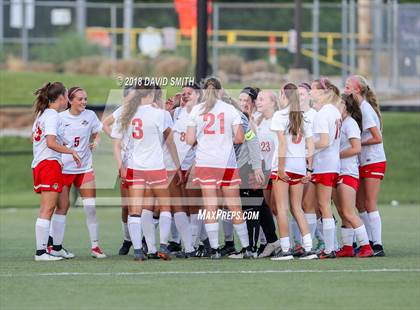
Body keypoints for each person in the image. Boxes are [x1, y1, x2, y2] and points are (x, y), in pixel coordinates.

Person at [112, 84, 181, 261]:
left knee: (135, 210)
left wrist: (121, 165)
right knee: (165, 207)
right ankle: (163, 246)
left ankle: (137, 250)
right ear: (150, 94)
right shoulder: (161, 114)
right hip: (156, 167)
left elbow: (116, 144)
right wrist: (178, 165)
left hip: (135, 167)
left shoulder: (126, 113)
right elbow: (170, 142)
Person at [186, 77, 252, 259]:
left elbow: (190, 140)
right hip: (226, 163)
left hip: (206, 163)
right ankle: (246, 248)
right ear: (220, 91)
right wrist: (223, 141)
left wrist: (206, 141)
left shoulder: (196, 110)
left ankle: (214, 249)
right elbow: (240, 138)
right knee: (234, 207)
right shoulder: (230, 109)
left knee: (210, 207)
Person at [49, 86, 106, 259]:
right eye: (80, 99)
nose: (84, 102)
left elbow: (98, 133)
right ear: (70, 101)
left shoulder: (89, 116)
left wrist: (96, 142)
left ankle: (95, 247)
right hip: (64, 169)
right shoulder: (59, 118)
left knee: (91, 208)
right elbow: (51, 140)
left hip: (85, 168)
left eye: (85, 99)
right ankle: (54, 246)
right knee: (62, 208)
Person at [31, 82, 81, 261]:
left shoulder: (44, 114)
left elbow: (37, 139)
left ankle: (56, 247)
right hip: (48, 165)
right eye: (67, 95)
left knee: (63, 204)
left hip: (50, 164)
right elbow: (50, 143)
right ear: (60, 98)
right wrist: (71, 151)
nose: (68, 99)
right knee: (48, 208)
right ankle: (41, 252)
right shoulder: (51, 115)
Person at [270, 83, 317, 260]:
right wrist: (309, 169)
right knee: (297, 208)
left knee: (282, 208)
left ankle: (285, 249)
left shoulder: (279, 115)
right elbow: (310, 145)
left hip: (284, 165)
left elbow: (282, 144)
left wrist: (280, 169)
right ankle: (309, 248)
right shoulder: (303, 117)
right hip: (299, 167)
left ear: (284, 96)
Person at [344, 75, 386, 257]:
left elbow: (377, 138)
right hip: (363, 161)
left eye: (348, 87)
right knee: (360, 203)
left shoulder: (366, 109)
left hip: (373, 160)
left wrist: (358, 143)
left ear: (357, 90)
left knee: (369, 203)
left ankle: (377, 244)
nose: (345, 89)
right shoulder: (358, 109)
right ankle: (366, 241)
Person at [304, 78, 342, 259]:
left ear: (323, 92)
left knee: (323, 206)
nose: (310, 93)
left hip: (325, 164)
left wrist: (308, 148)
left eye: (312, 89)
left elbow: (325, 141)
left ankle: (329, 249)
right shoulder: (333, 110)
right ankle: (320, 246)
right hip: (330, 163)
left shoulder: (323, 113)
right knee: (315, 205)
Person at [333, 93, 374, 258]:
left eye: (338, 104)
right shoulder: (337, 123)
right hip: (336, 171)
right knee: (342, 212)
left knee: (349, 212)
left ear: (346, 107)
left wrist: (335, 156)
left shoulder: (350, 123)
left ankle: (366, 246)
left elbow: (356, 148)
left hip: (348, 172)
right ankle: (347, 247)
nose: (335, 107)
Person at [102, 86, 135, 255]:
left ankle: (142, 240)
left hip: (146, 164)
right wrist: (117, 140)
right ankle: (128, 239)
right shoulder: (122, 111)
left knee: (146, 206)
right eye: (130, 97)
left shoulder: (146, 111)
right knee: (127, 205)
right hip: (127, 163)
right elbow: (105, 123)